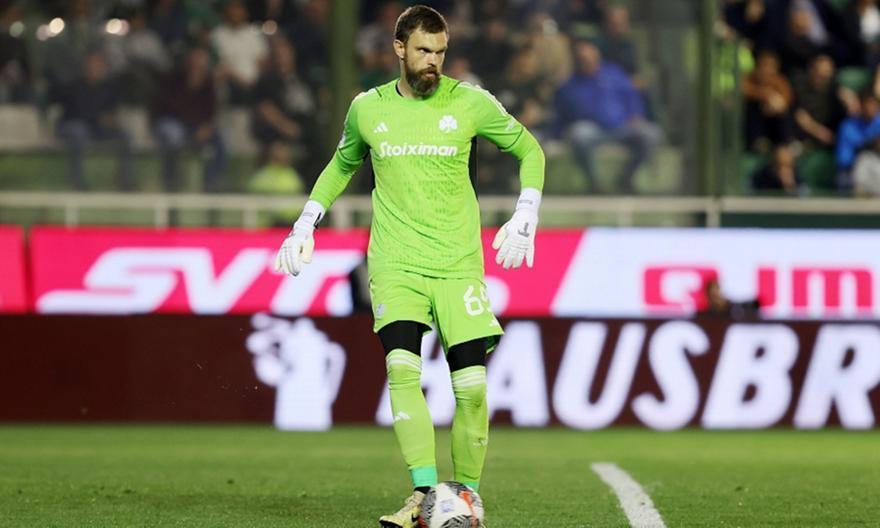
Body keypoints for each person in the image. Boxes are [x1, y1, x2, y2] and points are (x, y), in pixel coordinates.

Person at [273, 6, 545, 527]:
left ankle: (465, 497)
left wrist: (526, 211)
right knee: (402, 368)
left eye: (440, 52)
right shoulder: (367, 109)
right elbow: (342, 164)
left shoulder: (469, 102)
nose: (433, 61)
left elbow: (529, 149)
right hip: (395, 262)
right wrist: (305, 222)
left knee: (471, 387)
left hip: (457, 263)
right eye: (423, 50)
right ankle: (423, 495)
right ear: (399, 48)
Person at [554, 39, 662, 193]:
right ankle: (594, 184)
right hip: (593, 130)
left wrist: (635, 114)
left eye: (590, 56)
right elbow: (565, 112)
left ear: (597, 55)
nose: (587, 61)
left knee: (651, 134)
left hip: (622, 127)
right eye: (582, 58)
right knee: (579, 134)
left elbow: (631, 95)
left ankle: (626, 179)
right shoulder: (569, 83)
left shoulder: (613, 72)